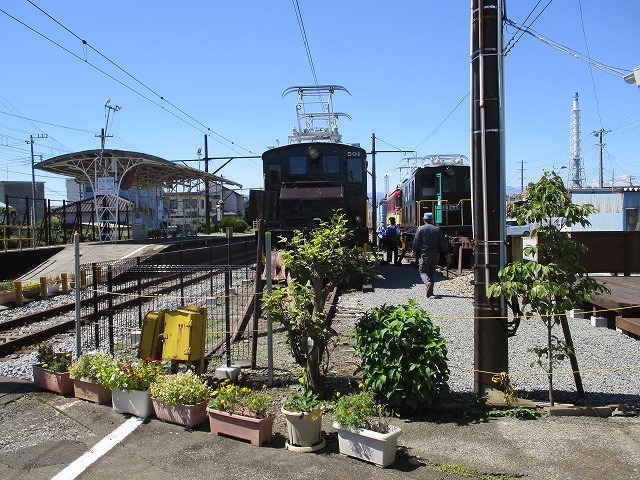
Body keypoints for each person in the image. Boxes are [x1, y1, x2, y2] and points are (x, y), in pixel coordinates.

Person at [412, 212, 450, 297]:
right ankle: (431, 291)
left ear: (424, 219)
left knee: (423, 271)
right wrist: (447, 253)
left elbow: (416, 242)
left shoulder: (420, 229)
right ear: (432, 220)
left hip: (425, 254)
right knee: (432, 272)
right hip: (436, 254)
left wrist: (414, 251)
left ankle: (427, 283)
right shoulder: (437, 229)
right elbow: (443, 243)